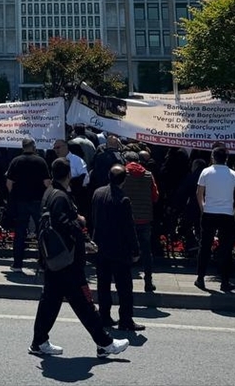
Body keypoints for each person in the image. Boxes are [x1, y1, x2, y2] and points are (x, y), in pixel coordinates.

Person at [29, 158, 130, 359]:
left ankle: (39, 342)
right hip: (67, 261)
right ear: (69, 175)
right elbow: (63, 223)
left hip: (54, 259)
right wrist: (80, 227)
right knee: (84, 303)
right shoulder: (60, 196)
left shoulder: (50, 193)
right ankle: (105, 344)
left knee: (49, 302)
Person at [91, 165, 143, 332]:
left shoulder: (98, 193)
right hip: (119, 250)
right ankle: (125, 319)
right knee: (124, 287)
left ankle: (105, 316)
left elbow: (94, 218)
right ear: (124, 180)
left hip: (101, 246)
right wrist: (135, 250)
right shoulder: (123, 199)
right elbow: (129, 228)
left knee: (103, 284)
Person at [195, 146, 235, 292]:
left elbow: (199, 192)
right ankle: (225, 281)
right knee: (226, 248)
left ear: (213, 157)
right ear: (226, 158)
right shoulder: (234, 174)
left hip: (210, 211)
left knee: (205, 246)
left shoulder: (206, 172)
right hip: (227, 214)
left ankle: (201, 278)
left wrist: (203, 207)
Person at [6, 137, 51, 271]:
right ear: (33, 147)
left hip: (21, 201)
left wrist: (13, 194)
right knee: (41, 232)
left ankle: (17, 264)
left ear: (23, 147)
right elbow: (47, 183)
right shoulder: (40, 161)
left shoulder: (16, 161)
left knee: (20, 232)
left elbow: (9, 183)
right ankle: (43, 262)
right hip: (38, 200)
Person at [120, 150, 158, 293]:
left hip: (127, 219)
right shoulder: (148, 175)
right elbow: (155, 196)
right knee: (147, 252)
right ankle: (148, 281)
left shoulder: (123, 174)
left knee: (125, 251)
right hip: (145, 218)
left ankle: (125, 282)